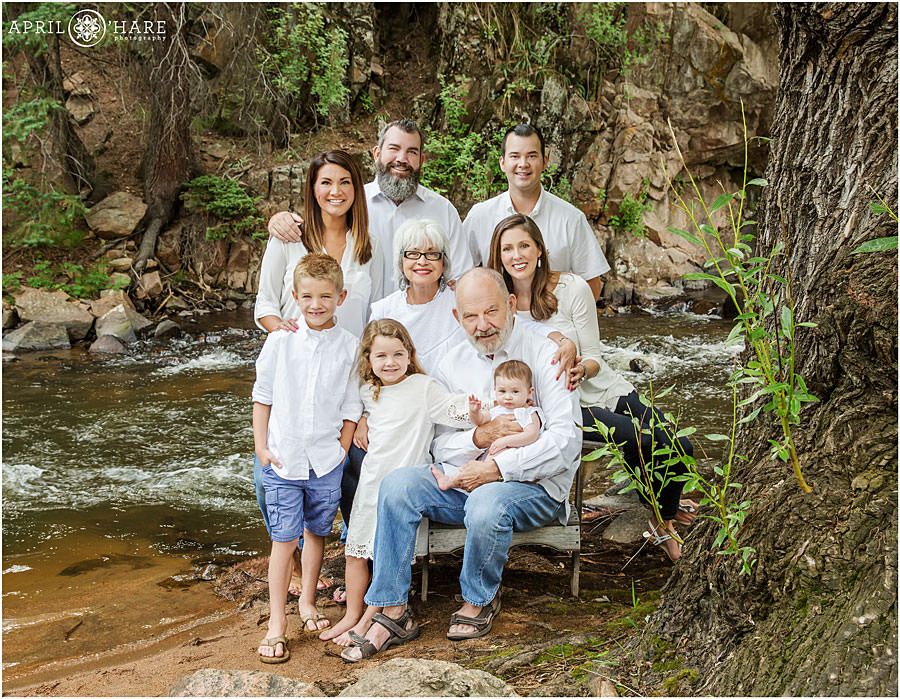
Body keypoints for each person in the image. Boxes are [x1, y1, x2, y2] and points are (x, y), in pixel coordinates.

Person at [340, 267, 581, 663]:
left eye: (491, 312)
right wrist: (477, 440)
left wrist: (498, 469)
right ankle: (394, 609)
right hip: (461, 480)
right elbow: (439, 442)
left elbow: (565, 440)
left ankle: (478, 598)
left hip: (535, 489)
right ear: (456, 317)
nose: (482, 325)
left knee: (488, 502)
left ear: (511, 305)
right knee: (398, 486)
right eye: (470, 316)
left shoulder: (546, 354)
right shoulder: (449, 364)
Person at [487, 213, 697, 561]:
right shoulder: (500, 303)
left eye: (524, 245)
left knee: (679, 444)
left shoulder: (571, 288)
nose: (516, 255)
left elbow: (595, 355)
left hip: (599, 385)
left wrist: (580, 368)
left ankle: (661, 505)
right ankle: (666, 521)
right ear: (499, 256)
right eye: (507, 248)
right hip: (560, 405)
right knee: (642, 440)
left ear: (539, 248)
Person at [323, 318, 470, 648]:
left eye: (397, 354)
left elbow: (453, 411)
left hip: (402, 486)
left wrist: (480, 409)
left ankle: (369, 618)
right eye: (381, 356)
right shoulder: (367, 391)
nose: (390, 363)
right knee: (355, 552)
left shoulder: (423, 387)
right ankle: (351, 614)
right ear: (369, 360)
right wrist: (360, 419)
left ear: (409, 355)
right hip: (372, 483)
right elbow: (354, 413)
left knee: (381, 552)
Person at [252, 254, 362, 663]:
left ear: (341, 297)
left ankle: (309, 603)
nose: (316, 304)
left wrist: (341, 450)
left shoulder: (350, 347)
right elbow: (262, 397)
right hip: (283, 458)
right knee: (283, 540)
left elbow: (352, 406)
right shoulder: (281, 340)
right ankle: (276, 621)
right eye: (308, 297)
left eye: (326, 297)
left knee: (317, 533)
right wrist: (262, 447)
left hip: (326, 460)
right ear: (295, 297)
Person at [267, 118, 474, 294]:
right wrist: (280, 219)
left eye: (411, 152)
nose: (401, 159)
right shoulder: (351, 202)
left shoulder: (443, 210)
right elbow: (319, 222)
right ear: (377, 153)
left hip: (423, 329)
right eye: (394, 149)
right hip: (361, 330)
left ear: (421, 160)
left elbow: (462, 279)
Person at [463, 123, 610, 301]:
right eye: (515, 156)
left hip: (554, 322)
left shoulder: (570, 218)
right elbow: (461, 277)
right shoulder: (480, 216)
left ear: (545, 162)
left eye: (531, 156)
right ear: (502, 163)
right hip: (498, 324)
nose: (523, 164)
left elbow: (592, 285)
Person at [254, 149, 383, 337]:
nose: (336, 191)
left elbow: (375, 313)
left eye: (345, 182)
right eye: (326, 183)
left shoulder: (370, 245)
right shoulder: (289, 237)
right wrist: (284, 334)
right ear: (313, 189)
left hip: (350, 361)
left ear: (356, 188)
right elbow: (265, 303)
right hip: (295, 356)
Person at [369, 218, 465, 374]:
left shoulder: (460, 302)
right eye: (413, 254)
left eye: (432, 254)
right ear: (401, 262)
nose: (422, 261)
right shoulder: (384, 311)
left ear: (444, 262)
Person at [433, 359, 543, 491]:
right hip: (491, 456)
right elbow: (480, 421)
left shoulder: (528, 412)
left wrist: (505, 441)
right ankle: (452, 481)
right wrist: (475, 411)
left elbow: (531, 435)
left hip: (512, 458)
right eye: (502, 391)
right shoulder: (497, 409)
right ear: (495, 390)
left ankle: (456, 482)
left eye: (515, 392)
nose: (508, 397)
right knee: (474, 468)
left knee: (482, 472)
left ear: (529, 392)